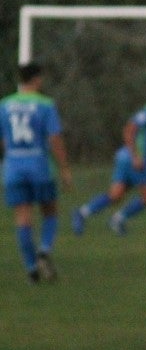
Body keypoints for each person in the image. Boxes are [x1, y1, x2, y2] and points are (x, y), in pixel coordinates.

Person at [73, 77, 146, 236]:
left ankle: (81, 213)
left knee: (116, 195)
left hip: (125, 158)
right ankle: (118, 219)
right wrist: (135, 156)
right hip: (134, 160)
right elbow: (129, 130)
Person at [1, 63, 72, 283]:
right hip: (39, 164)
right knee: (50, 211)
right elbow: (55, 138)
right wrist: (64, 168)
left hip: (13, 164)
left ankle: (32, 270)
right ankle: (43, 249)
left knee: (23, 218)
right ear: (37, 79)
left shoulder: (4, 105)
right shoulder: (45, 105)